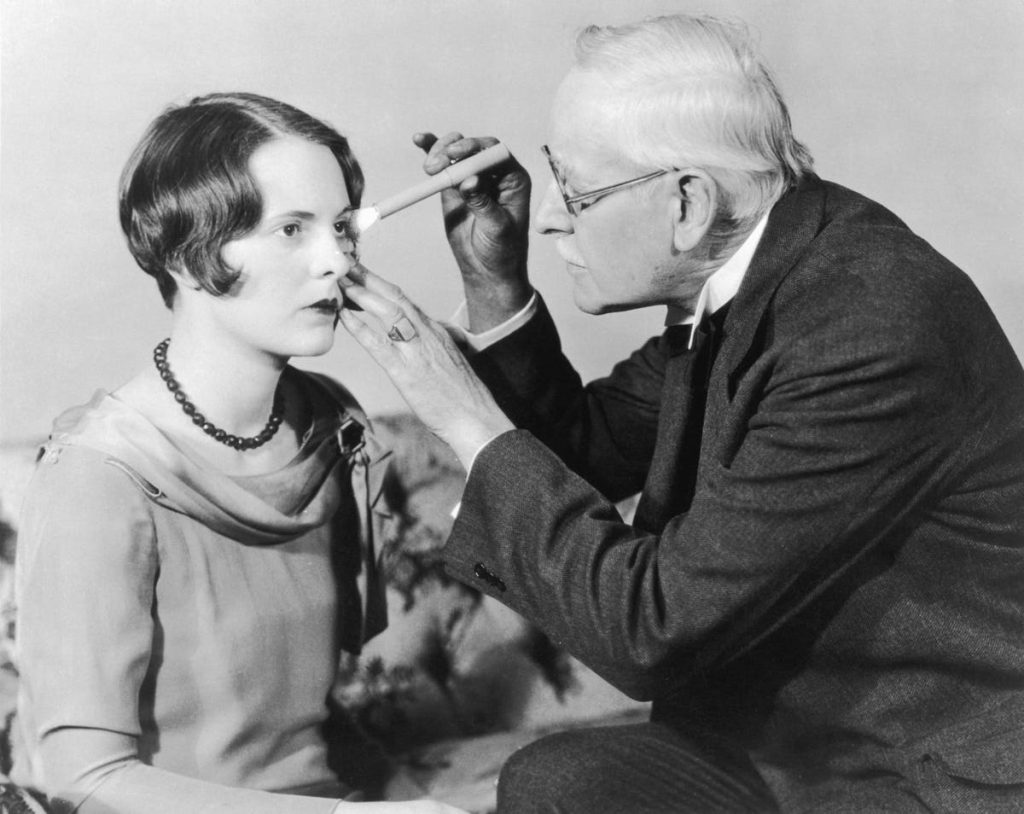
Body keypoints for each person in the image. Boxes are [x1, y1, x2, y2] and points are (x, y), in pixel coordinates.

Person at [337, 14, 1024, 814]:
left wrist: (462, 415)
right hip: (796, 752)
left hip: (921, 779)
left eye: (576, 191)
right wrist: (495, 281)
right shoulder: (769, 269)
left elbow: (650, 631)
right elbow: (584, 452)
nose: (551, 214)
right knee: (556, 783)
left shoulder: (869, 327)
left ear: (688, 202)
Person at [12, 92, 469, 814]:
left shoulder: (330, 425)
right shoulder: (97, 477)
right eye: (291, 230)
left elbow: (306, 728)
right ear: (187, 256)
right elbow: (85, 781)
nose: (337, 262)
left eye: (342, 227)